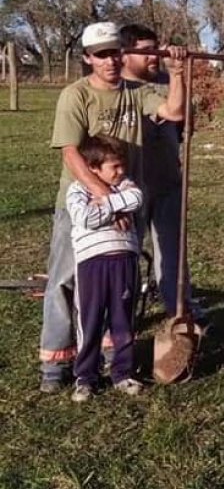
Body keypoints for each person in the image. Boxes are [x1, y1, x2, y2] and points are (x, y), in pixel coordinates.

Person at [39, 21, 186, 393]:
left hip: (125, 205)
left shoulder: (137, 93)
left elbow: (174, 110)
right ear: (88, 58)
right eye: (101, 54)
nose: (110, 60)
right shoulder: (75, 96)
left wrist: (178, 73)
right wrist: (106, 198)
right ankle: (56, 362)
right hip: (82, 205)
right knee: (65, 280)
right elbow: (71, 153)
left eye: (115, 52)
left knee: (118, 283)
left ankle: (111, 353)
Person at [119, 24, 201, 322]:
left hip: (167, 180)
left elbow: (182, 116)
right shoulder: (118, 86)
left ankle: (180, 308)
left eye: (156, 50)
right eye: (146, 52)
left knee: (173, 251)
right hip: (130, 185)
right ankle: (120, 313)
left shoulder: (167, 81)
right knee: (126, 251)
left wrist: (177, 72)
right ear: (125, 55)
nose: (154, 58)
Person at [65, 135, 145, 401]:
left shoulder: (125, 185)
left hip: (124, 262)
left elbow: (136, 198)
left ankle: (122, 373)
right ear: (93, 169)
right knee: (90, 321)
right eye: (115, 167)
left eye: (122, 165)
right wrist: (116, 208)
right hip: (92, 264)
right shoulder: (77, 190)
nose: (121, 171)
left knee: (123, 320)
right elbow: (84, 217)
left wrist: (105, 204)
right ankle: (85, 377)